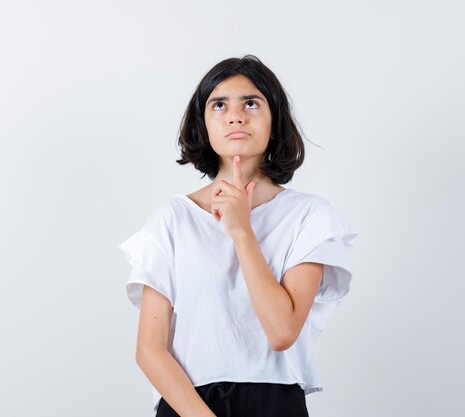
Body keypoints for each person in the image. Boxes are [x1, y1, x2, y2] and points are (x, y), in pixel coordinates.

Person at [116, 55, 358, 417]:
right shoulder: (172, 219)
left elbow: (281, 332)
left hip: (276, 403)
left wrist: (243, 231)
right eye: (219, 104)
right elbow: (150, 350)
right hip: (188, 405)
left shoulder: (310, 217)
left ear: (274, 122)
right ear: (204, 125)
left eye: (251, 103)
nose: (235, 116)